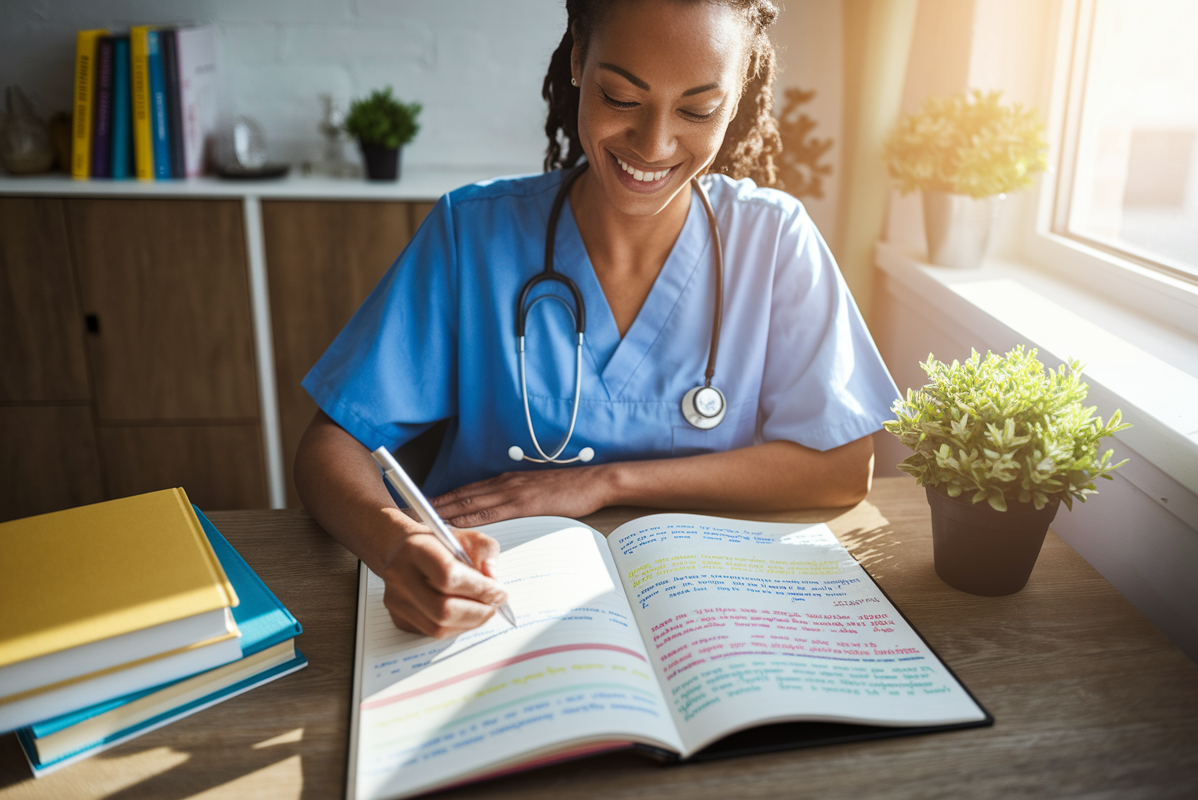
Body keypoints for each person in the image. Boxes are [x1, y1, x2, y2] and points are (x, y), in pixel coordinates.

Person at [294, 0, 900, 639]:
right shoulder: (471, 233)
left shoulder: (775, 240)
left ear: (739, 92)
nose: (655, 144)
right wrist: (395, 547)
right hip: (491, 615)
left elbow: (841, 467)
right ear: (578, 58)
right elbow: (332, 445)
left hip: (707, 620)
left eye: (698, 110)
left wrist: (603, 482)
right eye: (621, 97)